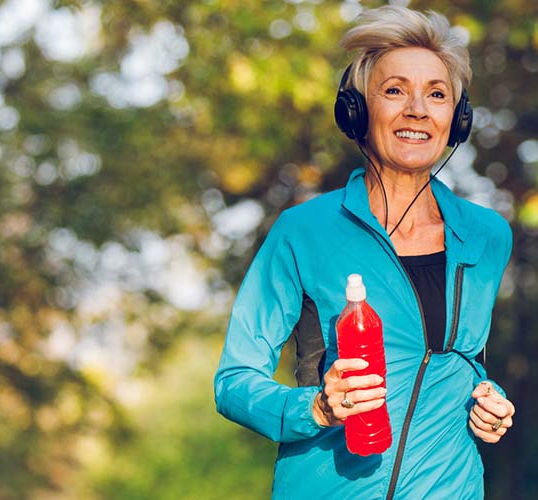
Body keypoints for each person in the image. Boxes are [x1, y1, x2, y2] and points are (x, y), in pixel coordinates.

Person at [214, 5, 516, 499]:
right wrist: (314, 409)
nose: (418, 109)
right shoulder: (304, 231)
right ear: (355, 110)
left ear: (456, 120)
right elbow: (233, 380)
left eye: (437, 95)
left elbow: (461, 360)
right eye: (395, 90)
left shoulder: (487, 236)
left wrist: (490, 401)